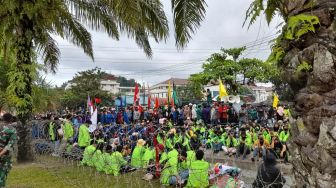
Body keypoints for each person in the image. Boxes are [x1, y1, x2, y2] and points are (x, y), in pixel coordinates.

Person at [0, 113, 17, 187]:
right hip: (5, 156)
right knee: (2, 174)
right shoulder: (12, 130)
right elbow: (9, 145)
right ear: (11, 119)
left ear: (3, 119)